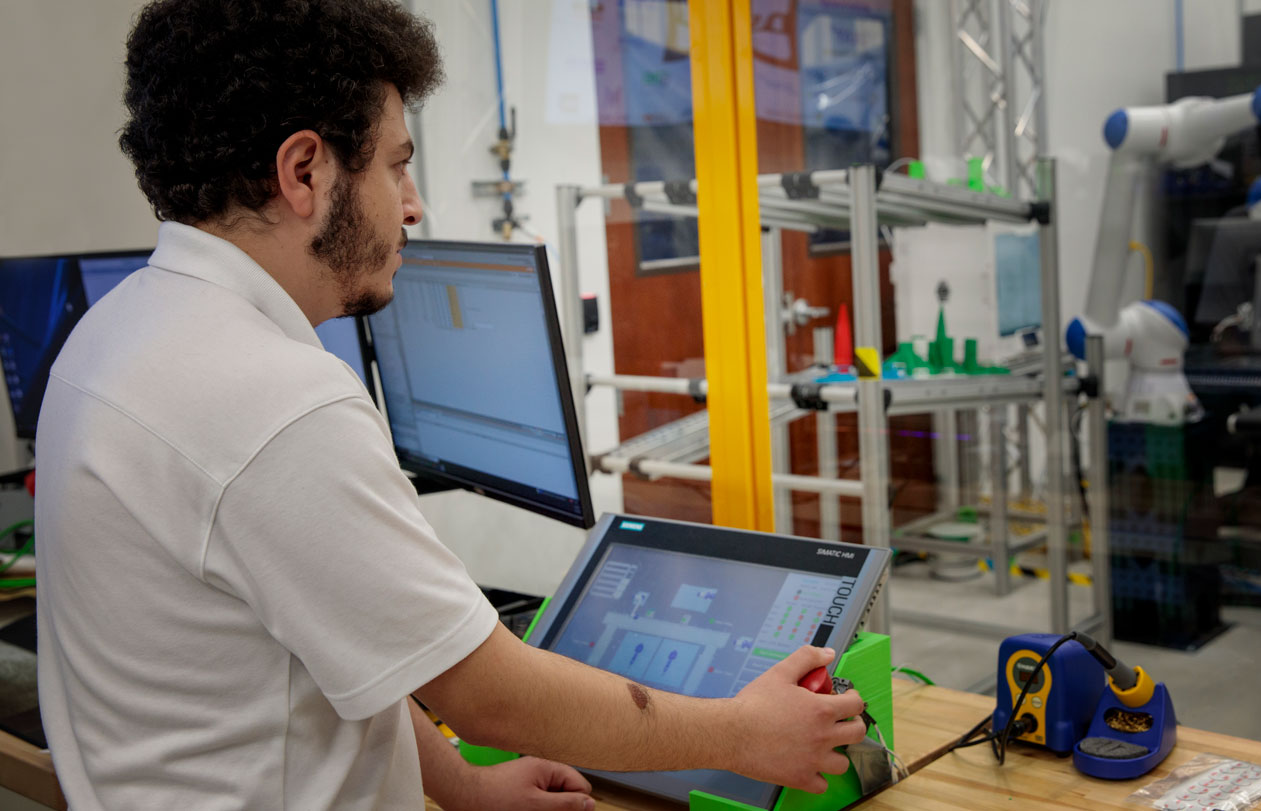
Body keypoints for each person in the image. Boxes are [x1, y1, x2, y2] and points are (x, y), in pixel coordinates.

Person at [33, 1, 868, 809]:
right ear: (304, 171)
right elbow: (491, 699)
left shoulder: (112, 334)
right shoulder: (274, 402)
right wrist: (741, 732)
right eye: (396, 164)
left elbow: (346, 640)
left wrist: (461, 782)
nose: (414, 203)